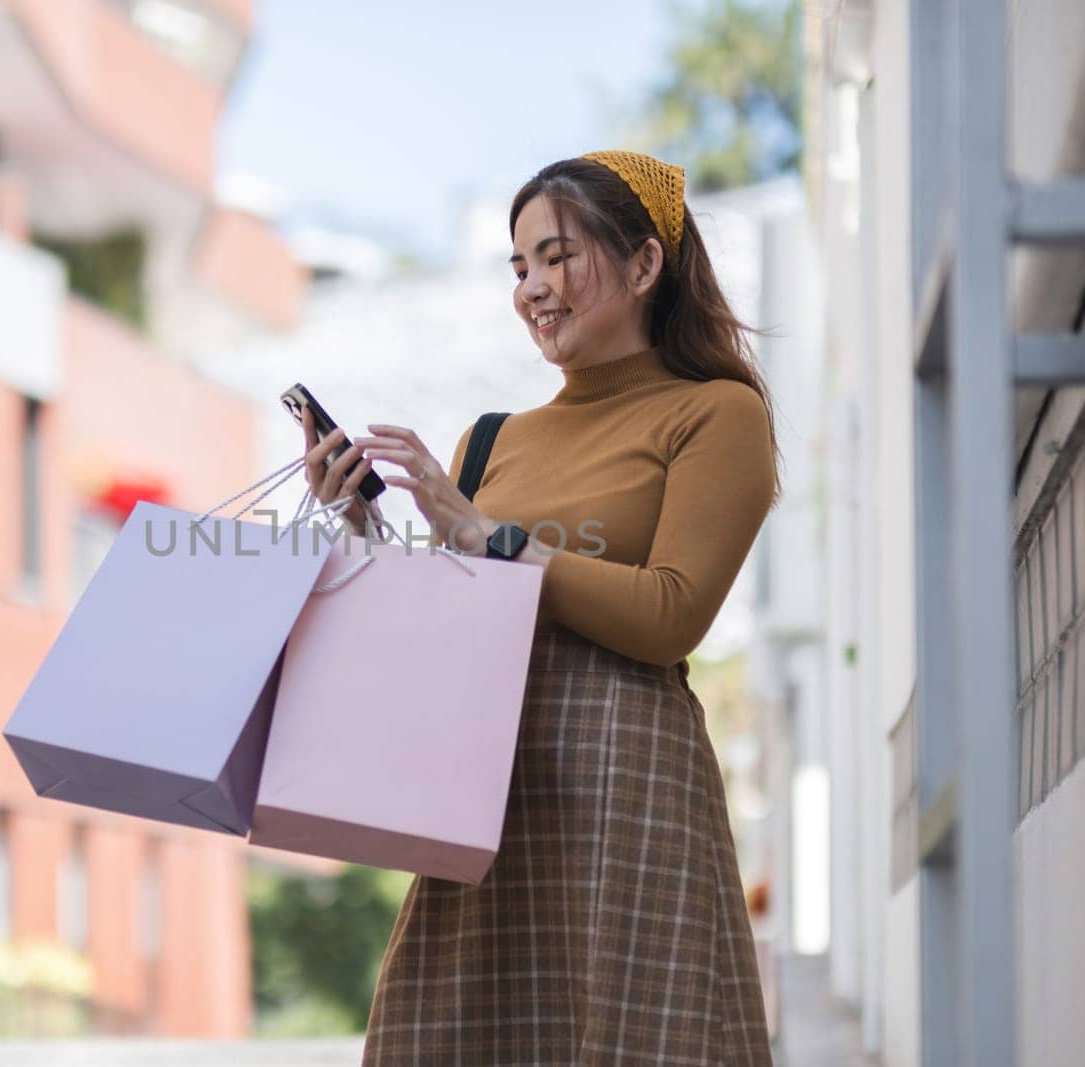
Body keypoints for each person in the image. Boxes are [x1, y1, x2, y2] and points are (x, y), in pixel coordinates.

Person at [302, 150, 778, 1065]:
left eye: (557, 256)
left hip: (628, 798)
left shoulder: (717, 414)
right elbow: (434, 633)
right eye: (519, 267)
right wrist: (357, 517)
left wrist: (495, 540)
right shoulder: (489, 443)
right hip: (484, 799)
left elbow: (673, 613)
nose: (532, 288)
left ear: (645, 265)